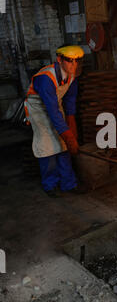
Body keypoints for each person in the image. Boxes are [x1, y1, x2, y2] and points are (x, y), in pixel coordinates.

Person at [24, 45, 85, 197]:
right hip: (38, 107)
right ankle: (50, 185)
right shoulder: (46, 78)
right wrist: (69, 138)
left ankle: (68, 184)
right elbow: (51, 111)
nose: (74, 65)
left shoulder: (72, 76)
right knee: (47, 146)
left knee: (62, 145)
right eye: (70, 61)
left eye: (77, 61)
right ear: (59, 60)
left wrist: (72, 131)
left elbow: (70, 102)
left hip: (54, 104)